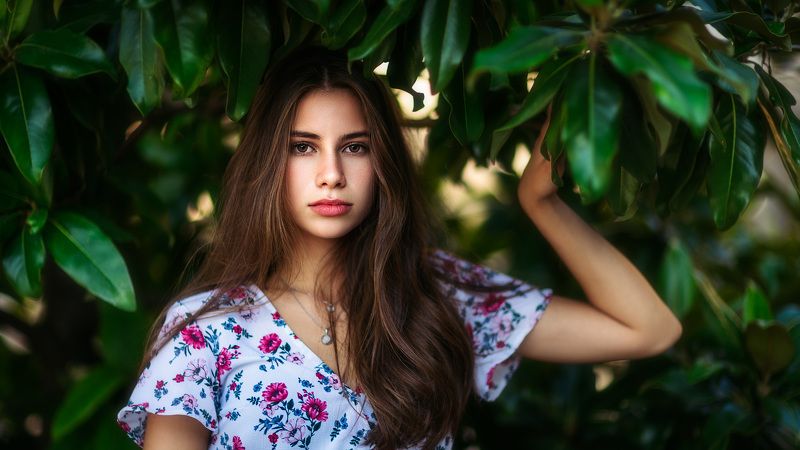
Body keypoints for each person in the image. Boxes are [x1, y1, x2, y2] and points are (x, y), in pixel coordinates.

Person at [116, 46, 682, 450]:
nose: (331, 174)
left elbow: (649, 329)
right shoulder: (205, 331)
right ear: (269, 165)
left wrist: (541, 201)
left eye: (355, 147)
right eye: (304, 148)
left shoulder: (434, 296)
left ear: (382, 162)